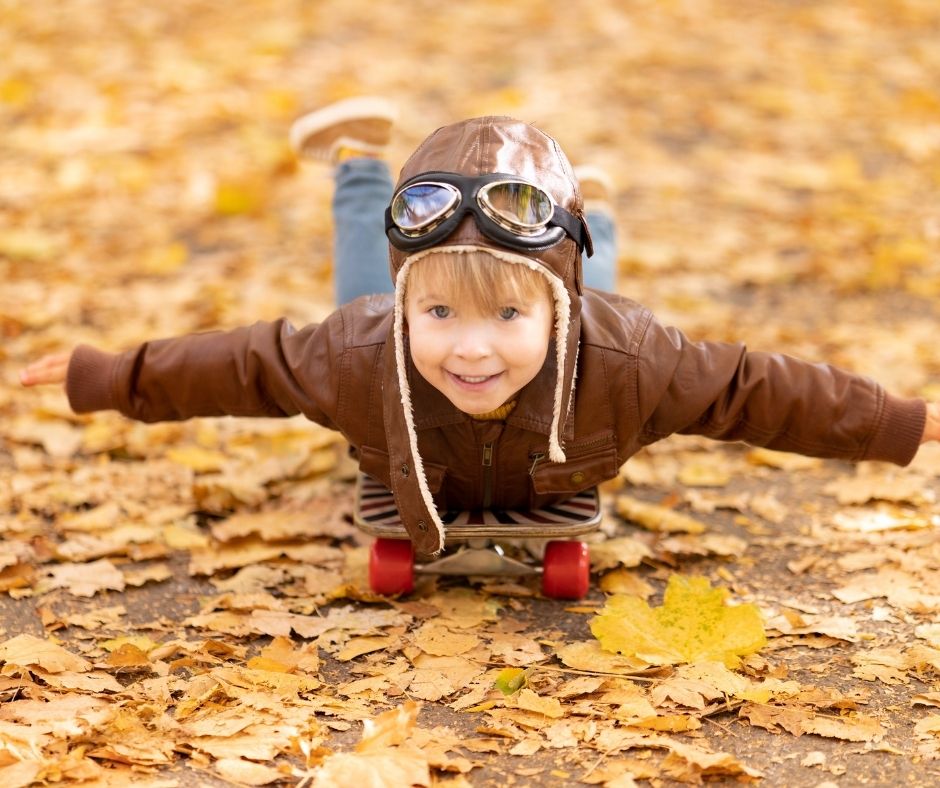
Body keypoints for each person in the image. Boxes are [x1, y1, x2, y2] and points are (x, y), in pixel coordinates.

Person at [21, 99, 940, 560]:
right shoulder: (363, 349)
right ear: (410, 302)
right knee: (355, 294)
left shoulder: (629, 362)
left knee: (608, 315)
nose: (470, 348)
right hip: (407, 354)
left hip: (588, 332)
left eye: (507, 314)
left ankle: (596, 224)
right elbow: (243, 367)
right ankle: (359, 160)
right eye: (439, 314)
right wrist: (109, 375)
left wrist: (899, 422)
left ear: (554, 305)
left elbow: (758, 392)